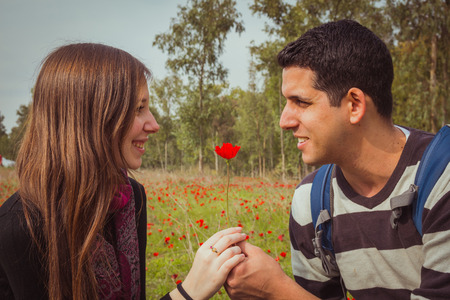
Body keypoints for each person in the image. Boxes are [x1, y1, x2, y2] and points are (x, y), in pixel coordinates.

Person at [0, 43, 246, 300]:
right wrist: (189, 292)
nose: (154, 124)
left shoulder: (131, 200)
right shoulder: (20, 228)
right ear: (93, 117)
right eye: (139, 109)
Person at [225, 19, 450, 299]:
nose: (284, 121)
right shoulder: (312, 200)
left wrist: (277, 290)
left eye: (301, 102)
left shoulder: (443, 179)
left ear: (354, 105)